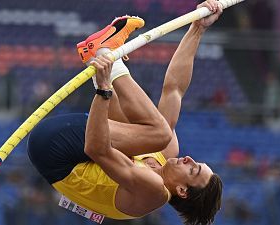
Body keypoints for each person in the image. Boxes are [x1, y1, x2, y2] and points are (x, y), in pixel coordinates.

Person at [28, 1, 223, 224]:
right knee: (161, 133)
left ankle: (105, 52)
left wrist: (103, 90)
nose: (189, 159)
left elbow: (96, 148)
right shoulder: (166, 154)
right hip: (76, 136)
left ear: (182, 190)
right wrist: (197, 28)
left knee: (160, 133)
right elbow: (174, 90)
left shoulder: (154, 192)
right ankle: (100, 53)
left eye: (193, 170)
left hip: (56, 152)